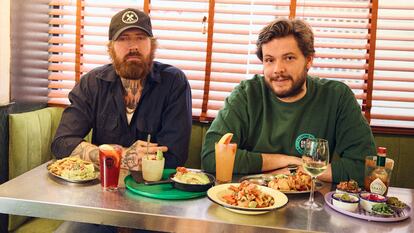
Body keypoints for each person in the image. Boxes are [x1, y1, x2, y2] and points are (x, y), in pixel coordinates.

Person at [201, 18, 376, 185]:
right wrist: (288, 161)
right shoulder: (246, 94)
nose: (278, 70)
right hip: (248, 201)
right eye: (270, 60)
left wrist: (298, 172)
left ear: (309, 60)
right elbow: (212, 157)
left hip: (311, 204)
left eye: (289, 58)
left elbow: (365, 168)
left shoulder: (337, 97)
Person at [51, 8, 192, 170]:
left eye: (140, 38)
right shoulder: (92, 83)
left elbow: (175, 155)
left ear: (152, 46)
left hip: (154, 187)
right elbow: (62, 143)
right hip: (102, 184)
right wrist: (117, 155)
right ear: (111, 48)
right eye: (123, 39)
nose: (133, 46)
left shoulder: (174, 82)